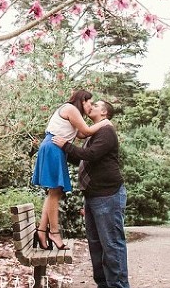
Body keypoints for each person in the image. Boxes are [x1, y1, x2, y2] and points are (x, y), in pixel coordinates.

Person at [52, 99, 131, 288]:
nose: (91, 107)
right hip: (93, 195)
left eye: (95, 105)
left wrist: (66, 145)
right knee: (96, 246)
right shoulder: (93, 134)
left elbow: (91, 155)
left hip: (108, 194)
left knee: (112, 244)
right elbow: (82, 160)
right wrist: (63, 150)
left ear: (104, 112)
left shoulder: (106, 132)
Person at [31, 89, 111, 250]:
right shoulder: (70, 109)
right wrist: (105, 122)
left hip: (55, 148)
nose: (90, 106)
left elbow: (81, 134)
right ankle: (54, 232)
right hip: (53, 147)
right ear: (83, 100)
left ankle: (41, 230)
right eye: (90, 103)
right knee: (55, 191)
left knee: (54, 192)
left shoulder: (74, 113)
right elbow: (87, 131)